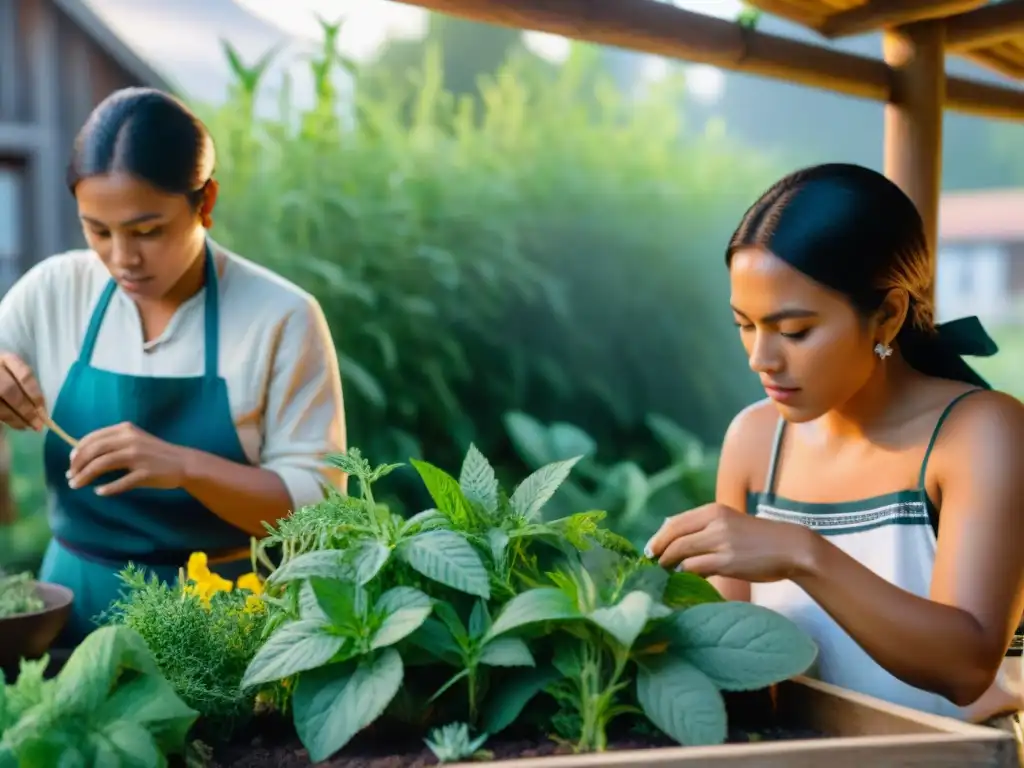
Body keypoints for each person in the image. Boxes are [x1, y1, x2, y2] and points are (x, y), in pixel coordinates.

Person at [645, 164, 1024, 730]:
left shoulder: (978, 433)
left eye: (794, 331)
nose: (761, 358)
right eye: (744, 325)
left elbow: (964, 665)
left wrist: (803, 553)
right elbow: (732, 673)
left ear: (889, 315)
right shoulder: (755, 441)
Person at [0, 87, 346, 644]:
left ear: (205, 203)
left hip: (223, 624)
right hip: (72, 615)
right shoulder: (53, 290)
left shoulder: (281, 316)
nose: (121, 258)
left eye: (147, 231)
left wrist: (185, 466)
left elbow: (320, 509)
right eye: (98, 230)